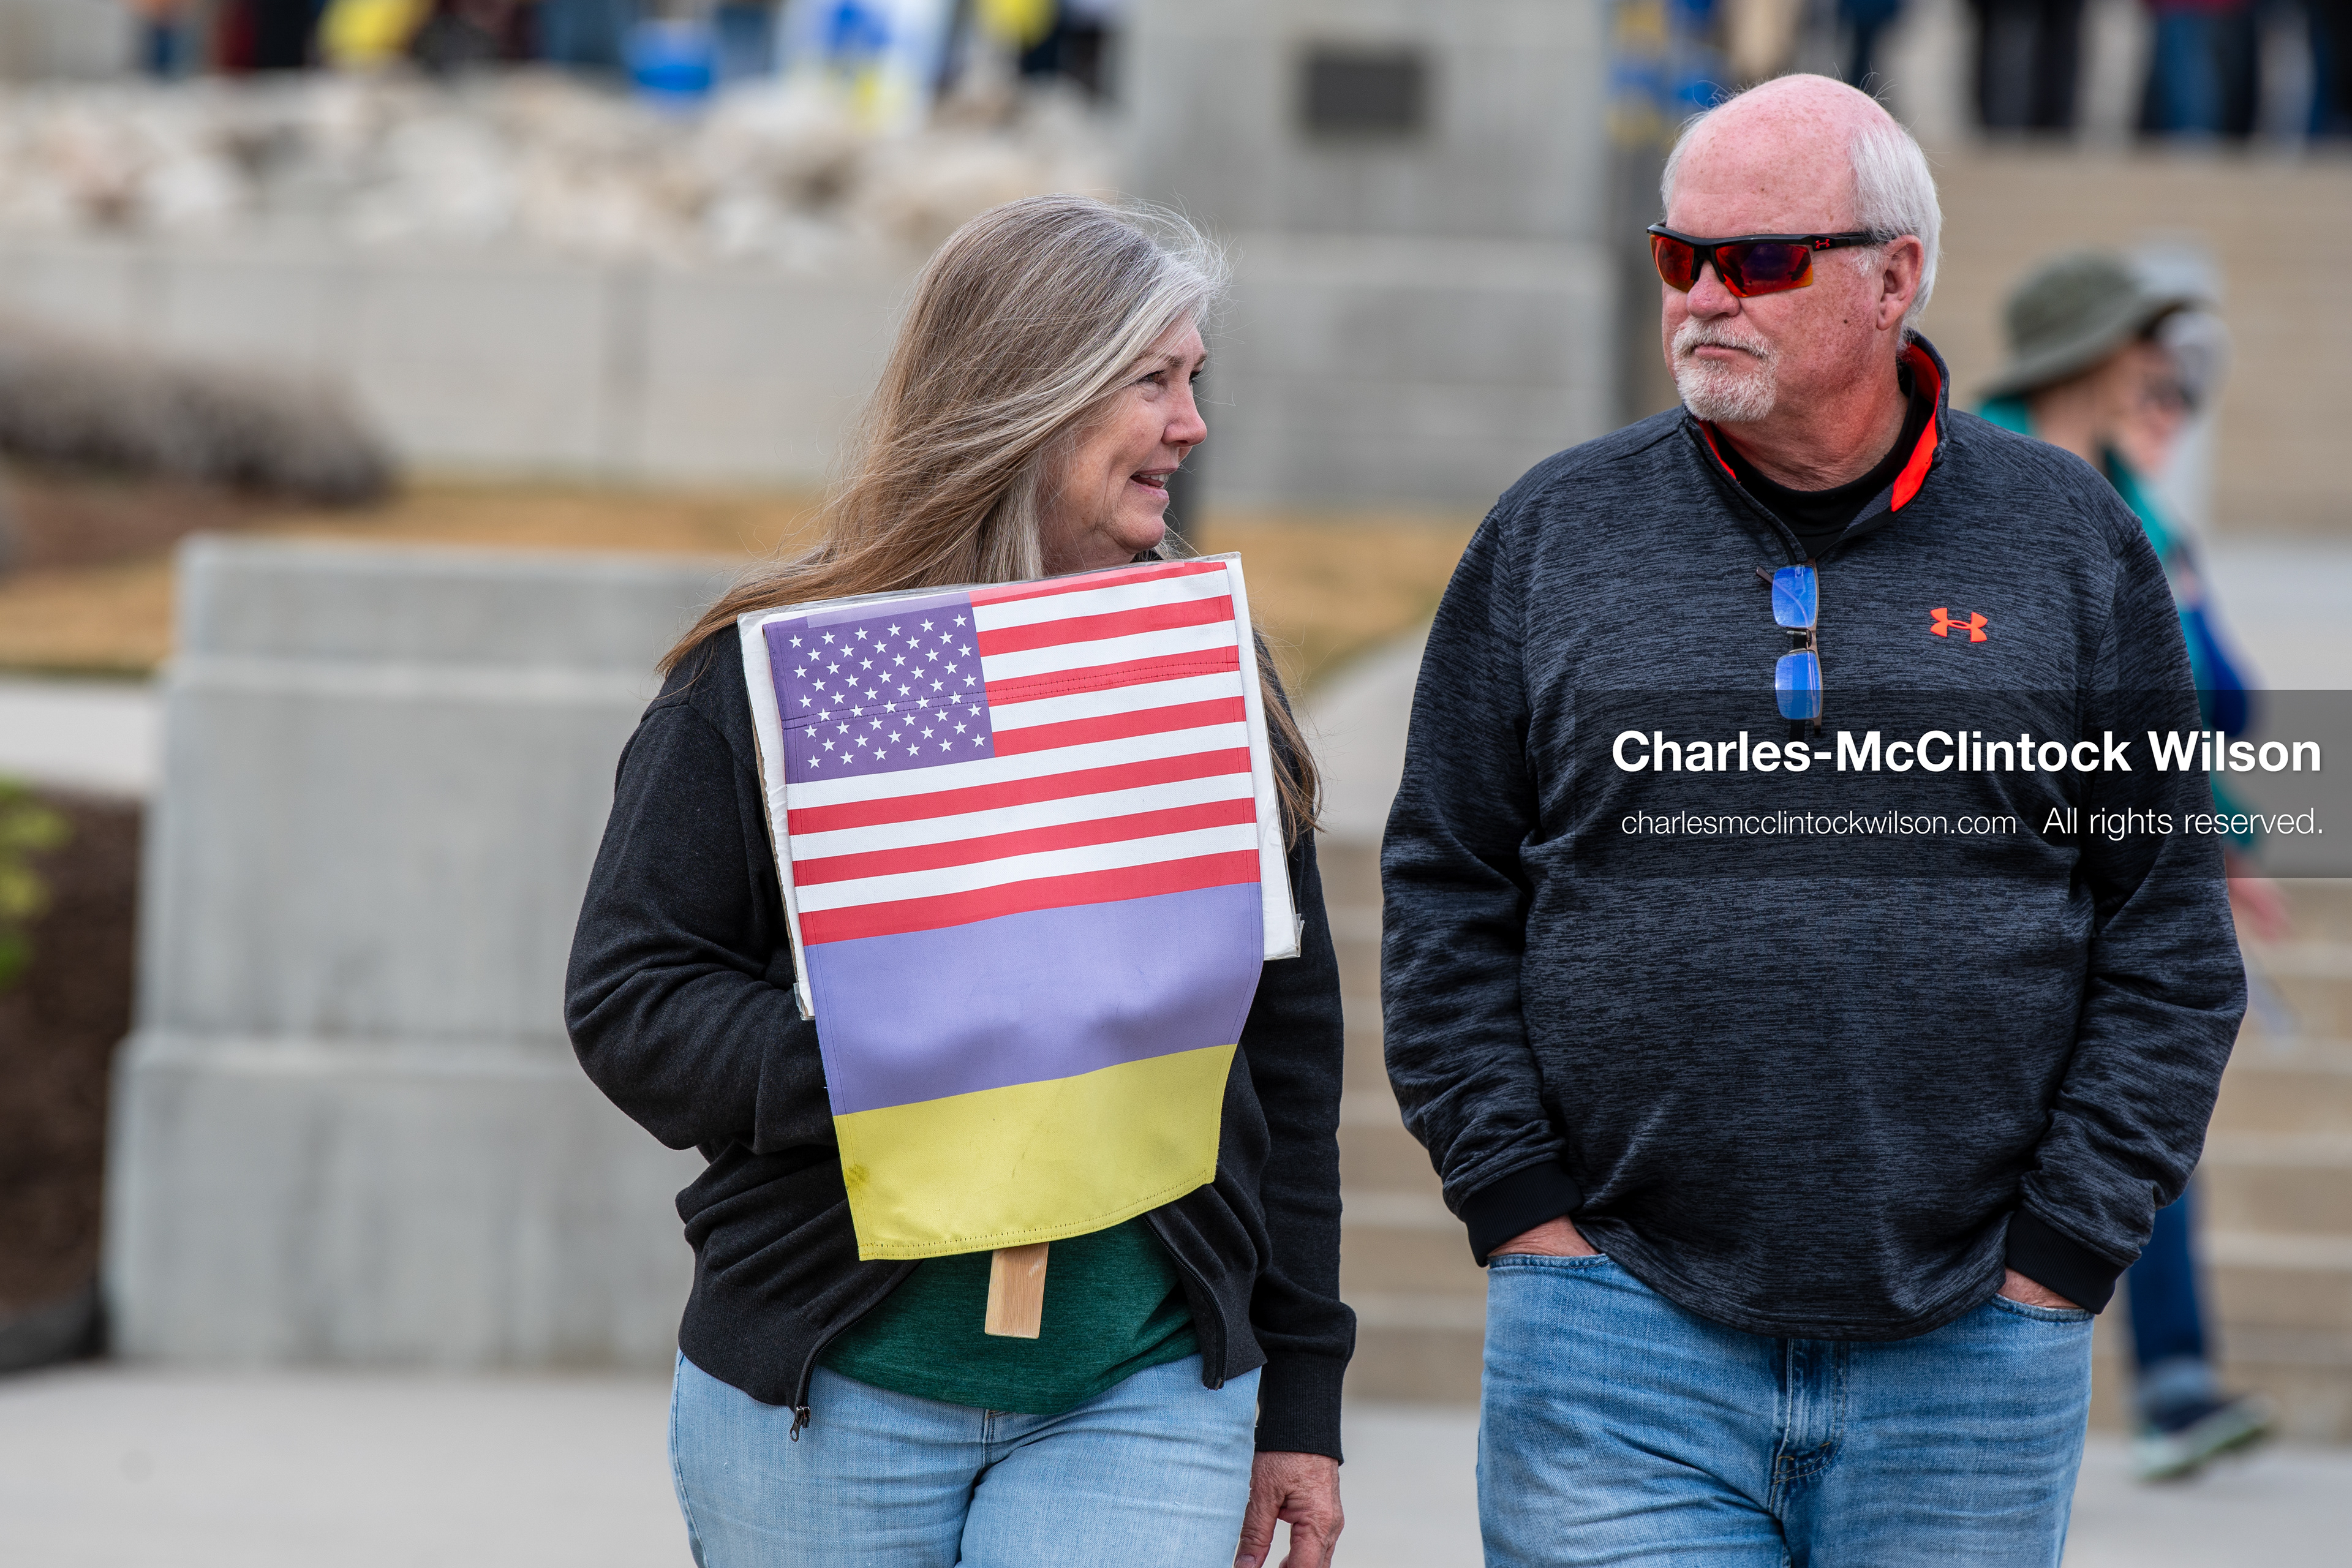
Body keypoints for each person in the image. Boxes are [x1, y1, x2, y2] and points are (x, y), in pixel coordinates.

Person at [1382, 74, 2245, 1566]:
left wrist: (2063, 1252)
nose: (1705, 296)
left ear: (1894, 277)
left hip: (1975, 1349)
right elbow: (1445, 884)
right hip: (1614, 1336)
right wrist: (1523, 1211)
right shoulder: (1550, 532)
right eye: (1678, 258)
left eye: (1760, 259)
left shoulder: (2071, 540)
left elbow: (2167, 923)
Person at [567, 195, 1350, 1568]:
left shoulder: (1198, 679)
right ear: (1030, 396)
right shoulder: (827, 663)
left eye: (1195, 381)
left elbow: (1285, 1052)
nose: (1191, 426)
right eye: (1152, 383)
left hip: (1143, 1385)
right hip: (831, 1395)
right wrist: (878, 1061)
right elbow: (631, 993)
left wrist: (1302, 1394)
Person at [1979, 247, 2280, 1482]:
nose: (2159, 370)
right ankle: (2150, 1379)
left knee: (2142, 1105)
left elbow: (2198, 695)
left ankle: (2171, 1380)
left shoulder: (2135, 498)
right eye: (2141, 344)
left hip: (2131, 861)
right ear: (2091, 356)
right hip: (2021, 875)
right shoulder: (1981, 481)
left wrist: (2234, 839)